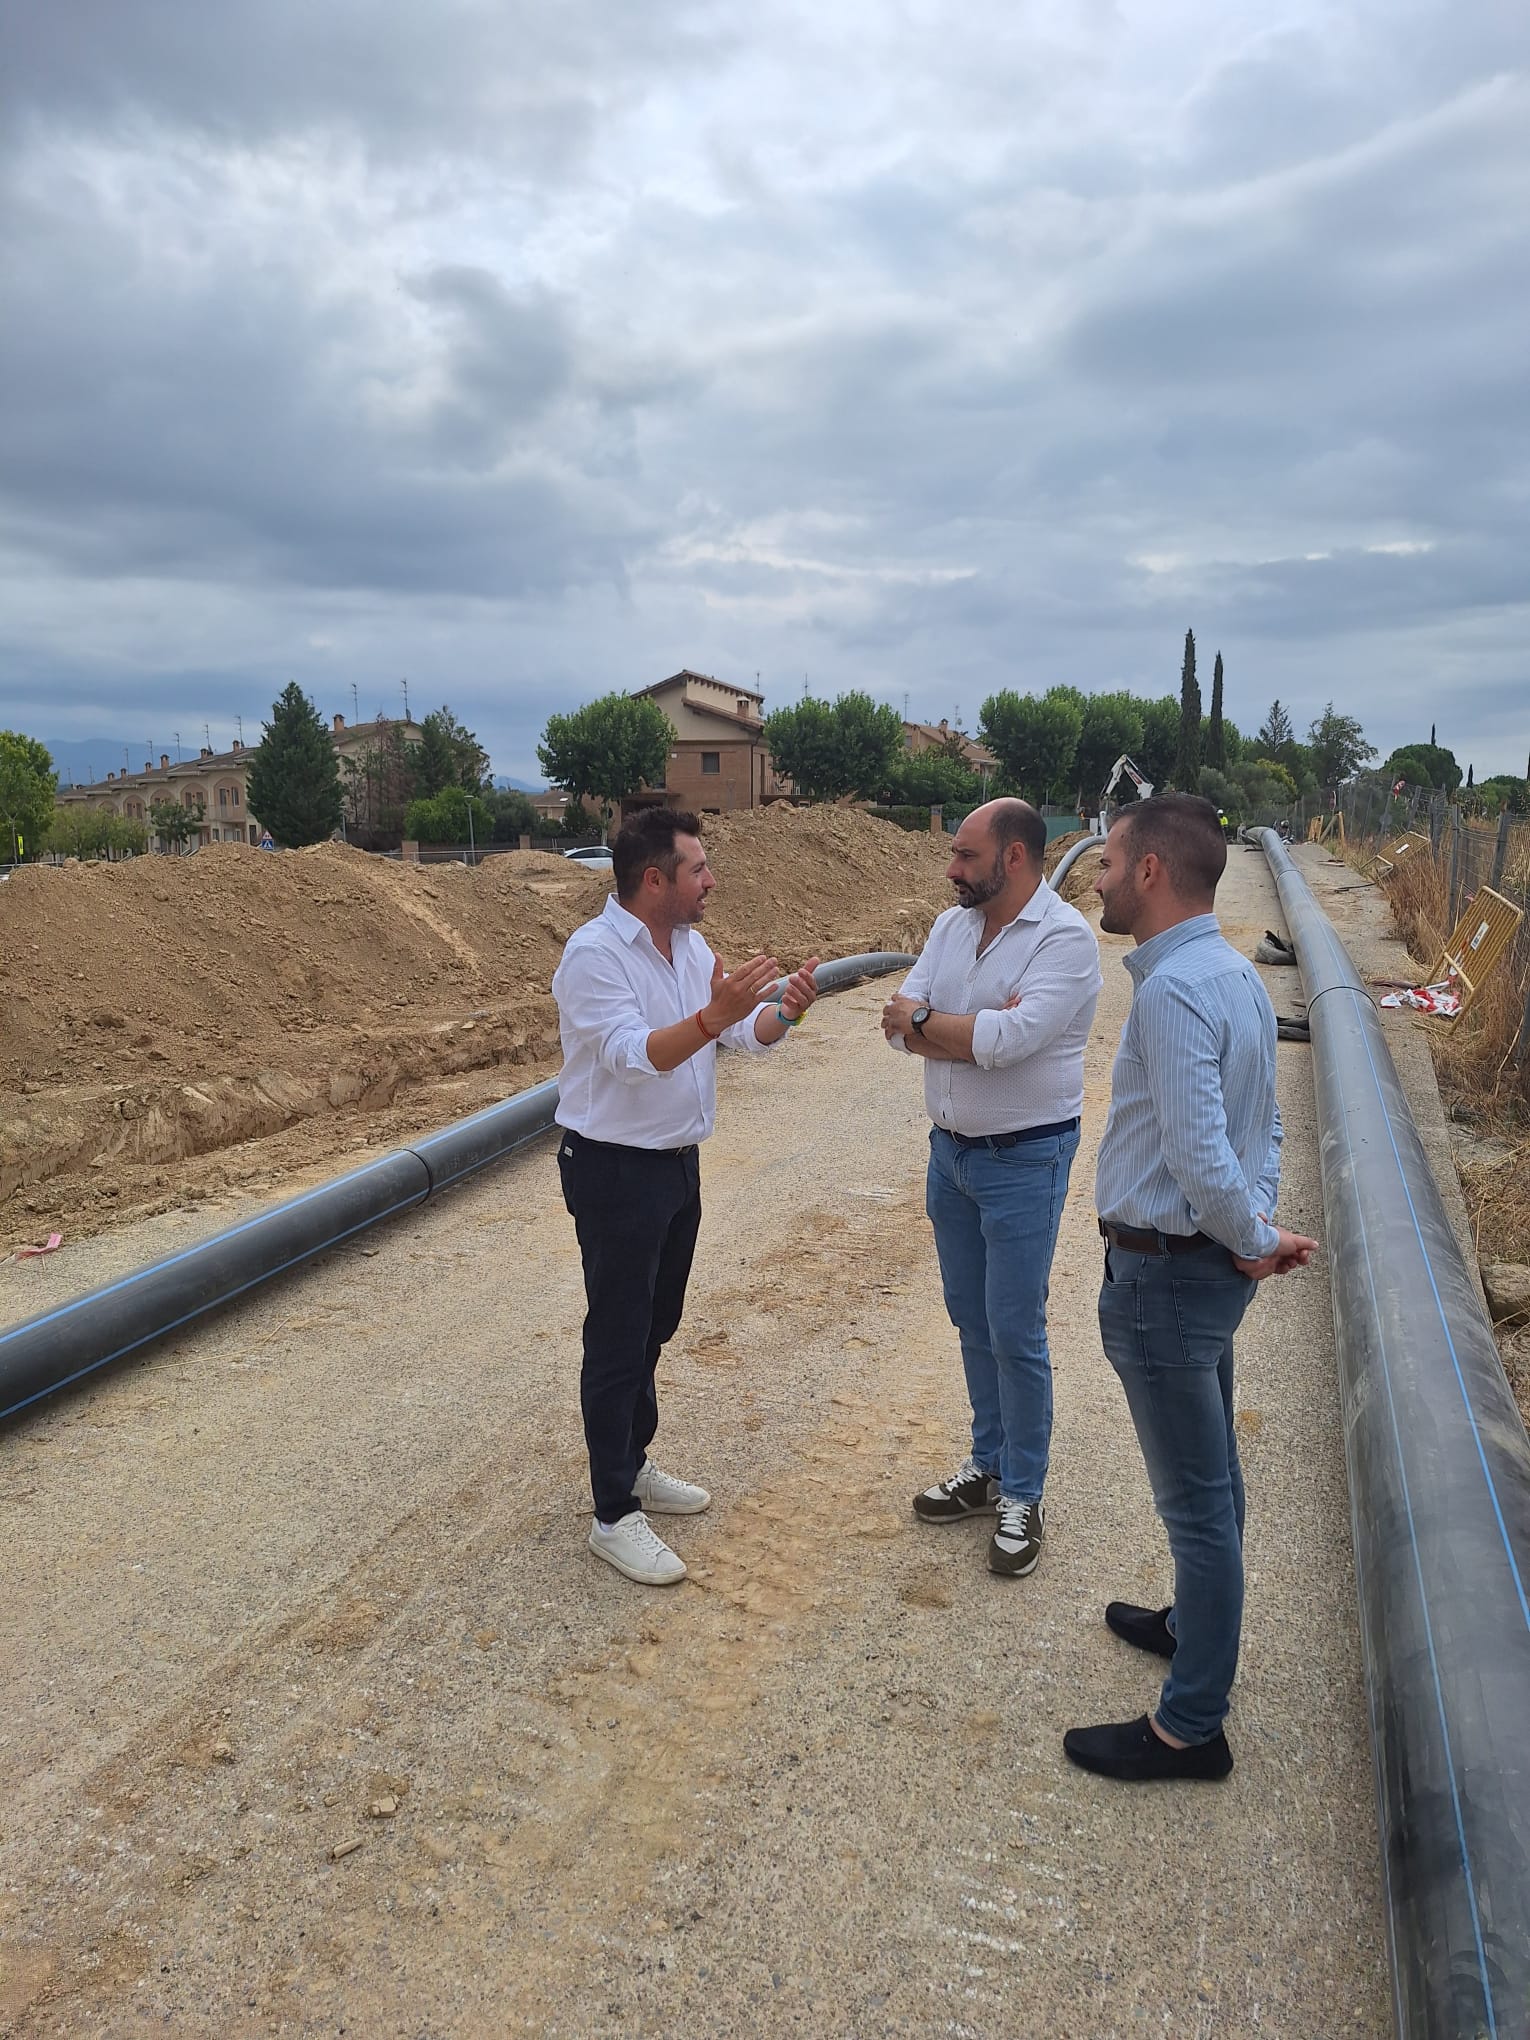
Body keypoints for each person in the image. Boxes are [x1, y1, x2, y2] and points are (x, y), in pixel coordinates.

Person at [1064, 794, 1318, 1783]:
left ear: (1154, 873)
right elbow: (1267, 1134)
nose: (1098, 876)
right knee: (1216, 1487)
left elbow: (1203, 1153)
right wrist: (1252, 1234)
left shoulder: (1173, 992)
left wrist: (1249, 1234)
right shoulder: (1235, 973)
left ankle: (1190, 1725)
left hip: (1167, 1280)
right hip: (1202, 1273)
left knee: (1199, 1508)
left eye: (1109, 863)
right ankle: (1192, 1630)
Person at [552, 807, 819, 1588]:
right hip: (613, 1169)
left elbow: (739, 1034)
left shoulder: (690, 944)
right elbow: (635, 1057)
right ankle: (611, 1515)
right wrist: (714, 1015)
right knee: (617, 1336)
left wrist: (784, 1011)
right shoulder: (594, 954)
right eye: (698, 869)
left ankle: (631, 1464)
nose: (712, 881)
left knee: (655, 1326)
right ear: (654, 879)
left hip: (673, 1167)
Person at [881, 800, 1102, 1578]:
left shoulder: (1065, 941)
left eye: (965, 856)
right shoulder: (950, 928)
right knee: (970, 1316)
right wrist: (959, 1027)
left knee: (1016, 1328)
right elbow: (894, 1017)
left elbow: (1008, 1044)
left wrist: (934, 1025)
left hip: (1024, 1161)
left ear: (1014, 859)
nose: (951, 870)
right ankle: (988, 1465)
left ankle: (1024, 1491)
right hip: (952, 1157)